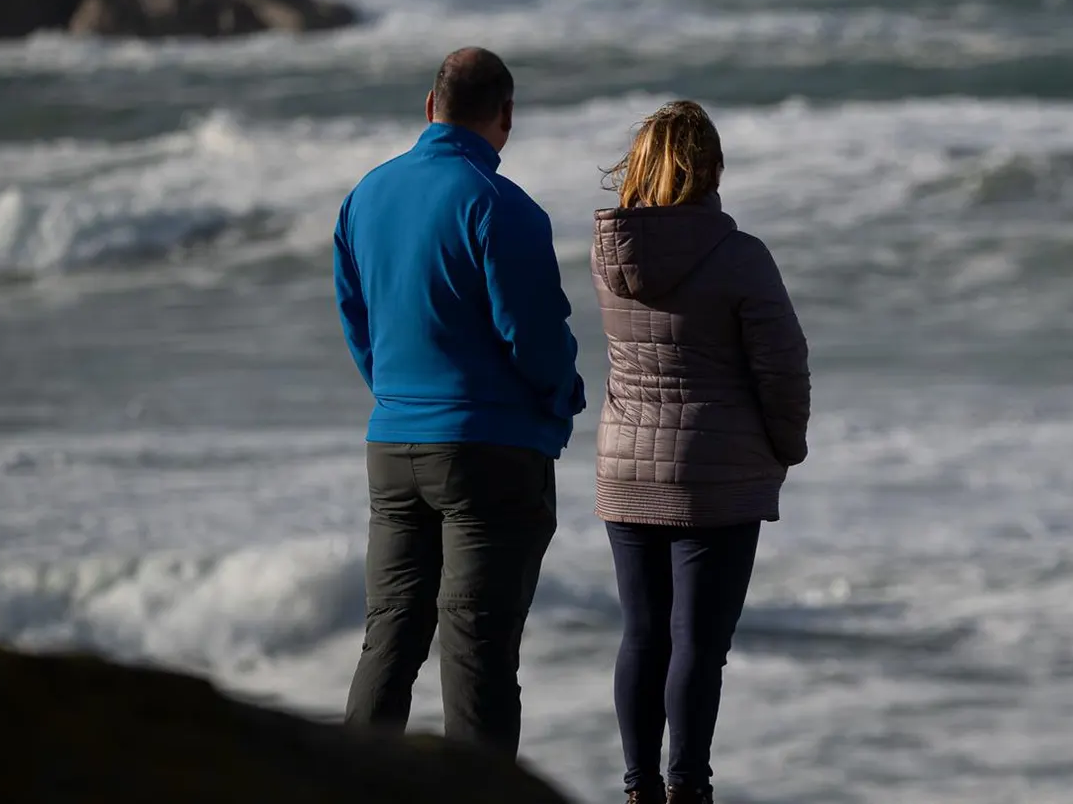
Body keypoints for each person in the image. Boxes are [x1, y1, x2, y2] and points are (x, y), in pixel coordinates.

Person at [334, 46, 585, 758]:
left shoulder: (364, 197)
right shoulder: (501, 206)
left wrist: (396, 398)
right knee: (475, 650)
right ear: (505, 116)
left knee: (389, 635)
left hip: (393, 446)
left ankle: (345, 787)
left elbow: (360, 324)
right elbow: (533, 337)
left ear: (429, 107)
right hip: (488, 452)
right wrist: (562, 399)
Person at [590, 101, 811, 804]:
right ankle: (689, 786)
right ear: (711, 167)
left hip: (625, 466)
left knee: (642, 635)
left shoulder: (608, 254)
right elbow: (783, 368)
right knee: (697, 643)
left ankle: (637, 788)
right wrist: (785, 446)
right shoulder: (740, 255)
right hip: (712, 478)